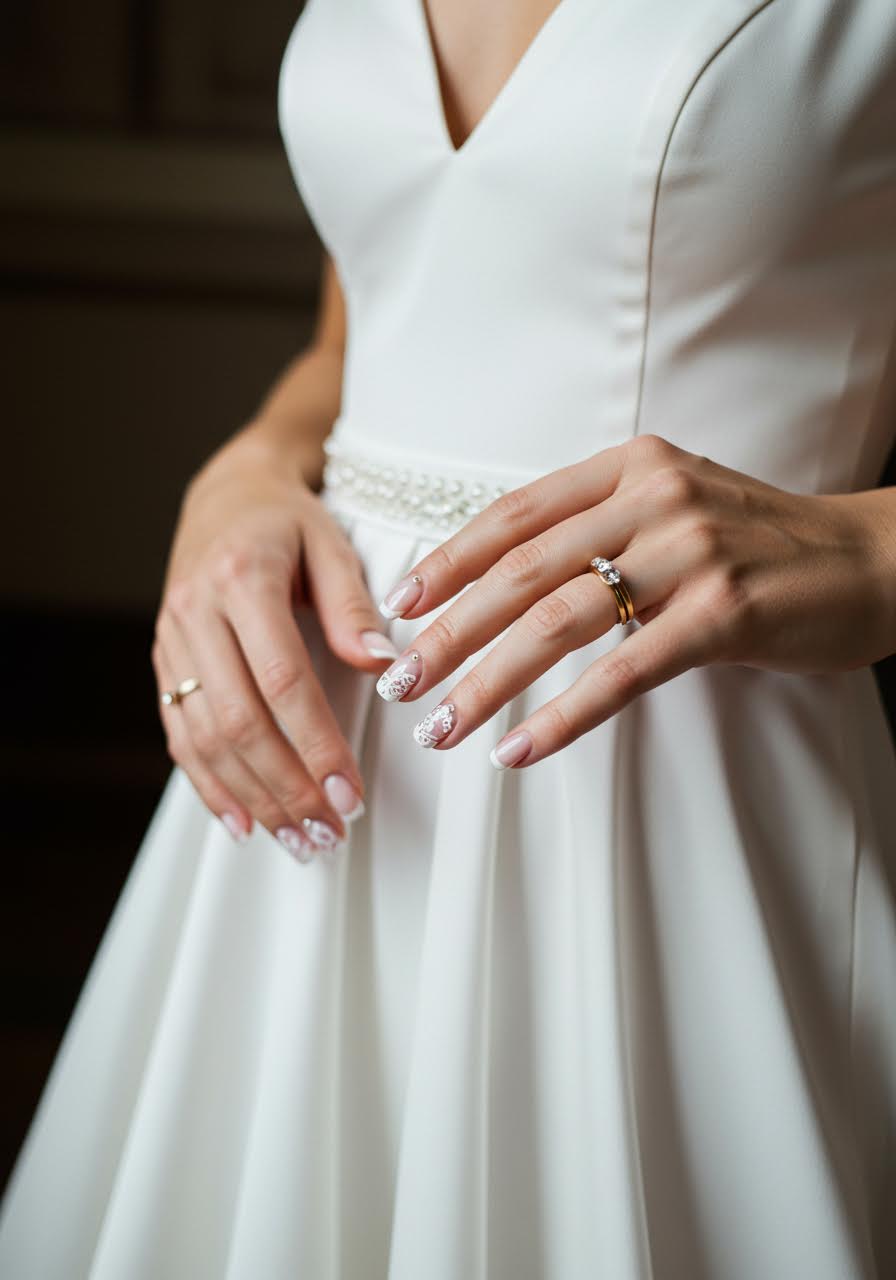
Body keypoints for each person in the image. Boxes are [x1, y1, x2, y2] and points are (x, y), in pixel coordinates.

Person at [2, 0, 896, 1276]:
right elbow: (360, 323)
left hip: (685, 819)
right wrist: (249, 469)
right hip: (308, 813)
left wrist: (867, 554)